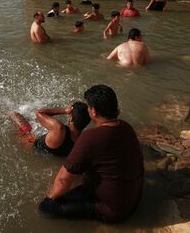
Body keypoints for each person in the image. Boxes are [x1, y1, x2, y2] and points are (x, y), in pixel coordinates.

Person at [39, 85, 144, 222]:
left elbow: (63, 179)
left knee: (46, 208)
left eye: (89, 107)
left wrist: (50, 197)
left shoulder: (90, 137)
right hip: (134, 197)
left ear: (93, 111)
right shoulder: (125, 126)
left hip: (113, 210)